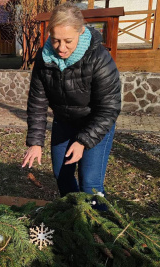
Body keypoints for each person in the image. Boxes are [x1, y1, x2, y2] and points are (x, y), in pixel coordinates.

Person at [22, 2, 121, 200]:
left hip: (94, 123)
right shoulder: (44, 58)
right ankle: (71, 218)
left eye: (68, 40)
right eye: (56, 40)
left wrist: (83, 141)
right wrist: (35, 142)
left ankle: (95, 226)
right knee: (62, 176)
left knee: (90, 184)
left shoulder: (99, 58)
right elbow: (37, 103)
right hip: (64, 123)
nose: (61, 48)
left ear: (81, 31)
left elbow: (109, 108)